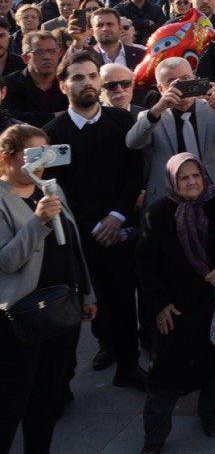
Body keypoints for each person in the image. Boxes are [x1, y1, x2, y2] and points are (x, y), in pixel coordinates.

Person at [42, 51, 147, 389]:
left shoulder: (122, 121)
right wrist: (91, 226)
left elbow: (134, 173)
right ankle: (84, 364)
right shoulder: (51, 134)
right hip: (78, 234)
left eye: (91, 76)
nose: (86, 82)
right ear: (63, 85)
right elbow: (56, 188)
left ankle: (128, 365)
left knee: (121, 297)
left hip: (119, 227)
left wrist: (116, 217)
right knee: (83, 305)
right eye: (77, 77)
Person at [134, 153, 215, 453]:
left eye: (196, 175)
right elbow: (145, 264)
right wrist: (159, 304)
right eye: (184, 178)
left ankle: (210, 415)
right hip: (177, 308)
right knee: (165, 376)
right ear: (172, 181)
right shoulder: (158, 214)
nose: (192, 182)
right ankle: (154, 438)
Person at [0, 123, 96, 454]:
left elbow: (73, 245)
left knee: (47, 399)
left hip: (61, 310)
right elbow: (7, 261)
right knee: (12, 401)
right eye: (33, 153)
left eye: (46, 152)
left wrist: (87, 294)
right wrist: (37, 221)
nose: (42, 161)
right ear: (7, 158)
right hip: (21, 318)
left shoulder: (52, 188)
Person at [126, 57, 215, 207]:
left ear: (195, 79)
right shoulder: (151, 117)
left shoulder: (213, 109)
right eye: (171, 82)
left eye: (186, 79)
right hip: (170, 199)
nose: (181, 86)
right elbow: (133, 142)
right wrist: (158, 109)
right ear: (161, 89)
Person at [4, 31, 68, 126]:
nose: (47, 57)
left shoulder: (68, 82)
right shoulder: (10, 84)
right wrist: (54, 116)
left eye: (52, 51)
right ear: (26, 58)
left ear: (58, 54)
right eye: (39, 52)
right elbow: (12, 118)